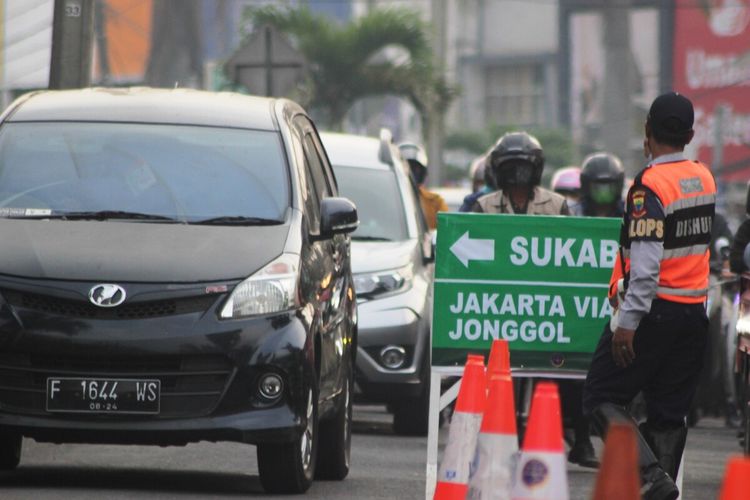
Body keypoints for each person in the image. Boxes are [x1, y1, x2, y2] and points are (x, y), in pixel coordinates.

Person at [583, 92, 716, 500]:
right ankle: (659, 488)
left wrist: (627, 325)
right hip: (693, 314)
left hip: (655, 312)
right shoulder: (704, 177)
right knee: (667, 413)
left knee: (601, 396)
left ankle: (653, 481)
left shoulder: (648, 188)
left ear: (647, 133)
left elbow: (645, 269)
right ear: (690, 134)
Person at [471, 131, 569, 215]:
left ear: (535, 168)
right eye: (510, 167)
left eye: (523, 166)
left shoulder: (556, 205)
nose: (517, 172)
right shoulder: (484, 206)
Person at [398, 142, 448, 230]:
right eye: (408, 167)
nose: (411, 173)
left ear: (423, 173)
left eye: (415, 168)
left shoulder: (435, 202)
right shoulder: (385, 201)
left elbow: (447, 231)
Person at [579, 153, 626, 218]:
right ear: (586, 186)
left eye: (609, 185)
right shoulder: (575, 212)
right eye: (597, 186)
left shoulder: (629, 212)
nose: (604, 191)